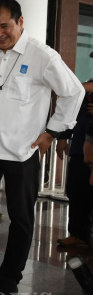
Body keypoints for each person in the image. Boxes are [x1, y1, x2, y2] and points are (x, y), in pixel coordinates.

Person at [0, 0, 84, 295]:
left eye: (5, 26)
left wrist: (52, 132)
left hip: (21, 150)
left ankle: (10, 275)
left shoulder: (42, 55)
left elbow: (74, 92)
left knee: (21, 217)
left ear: (20, 22)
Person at [56, 78, 93, 247]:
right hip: (81, 149)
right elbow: (73, 112)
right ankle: (78, 235)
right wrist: (62, 137)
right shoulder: (84, 90)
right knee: (76, 190)